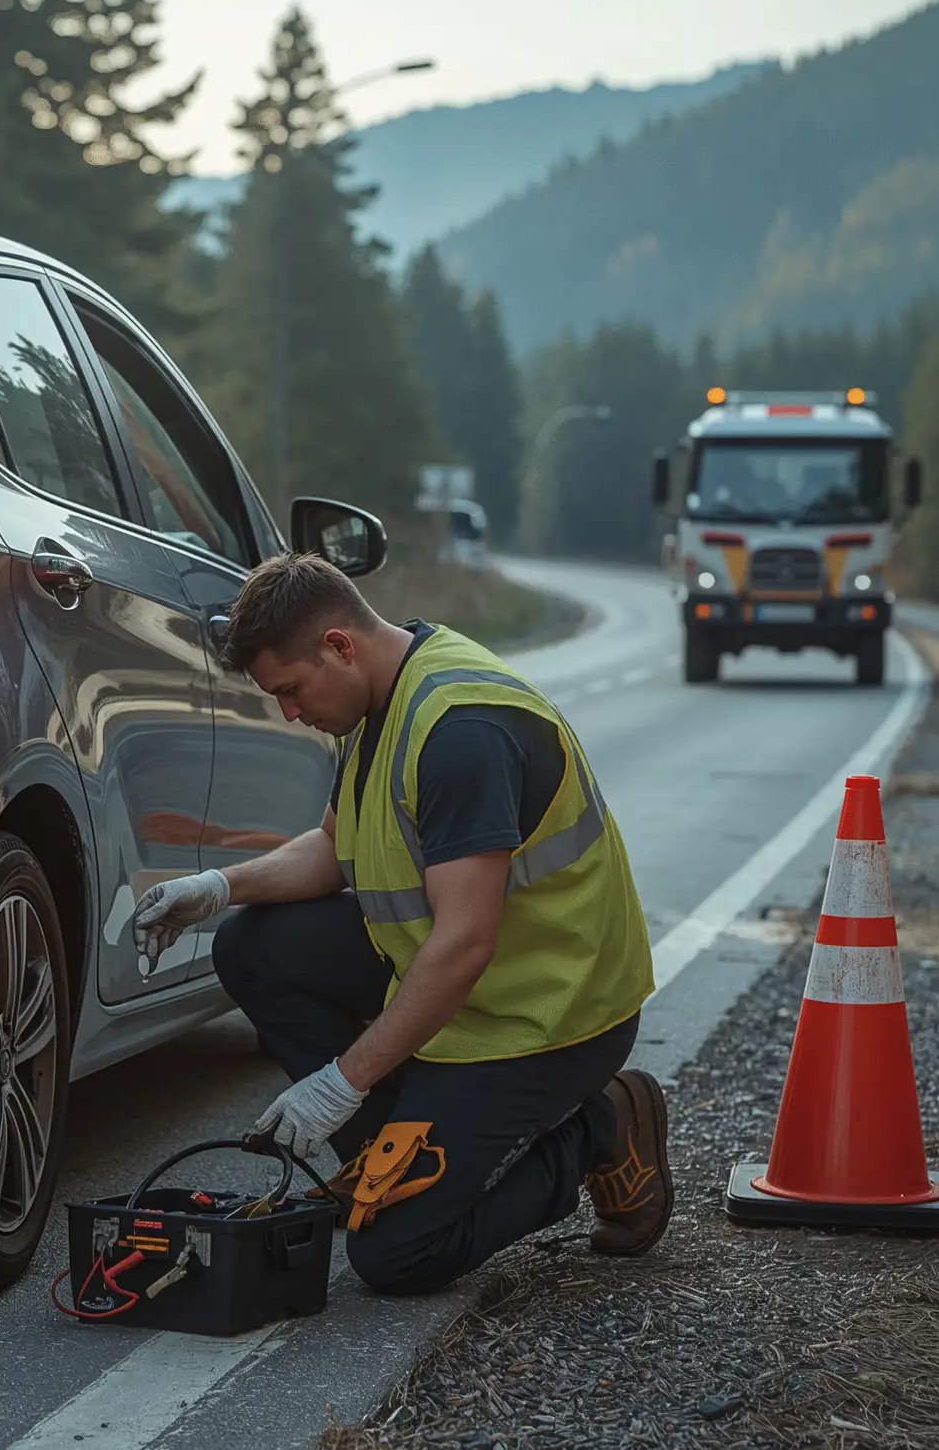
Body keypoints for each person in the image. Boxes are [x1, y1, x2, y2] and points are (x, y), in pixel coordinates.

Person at [133, 552, 669, 1295]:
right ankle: (400, 1156)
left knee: (397, 1256)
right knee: (254, 945)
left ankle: (598, 1127)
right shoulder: (378, 699)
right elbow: (330, 849)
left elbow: (464, 943)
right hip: (465, 992)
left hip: (546, 1015)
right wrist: (218, 886)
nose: (289, 713)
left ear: (338, 645)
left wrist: (339, 1083)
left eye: (289, 691)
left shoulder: (460, 731)